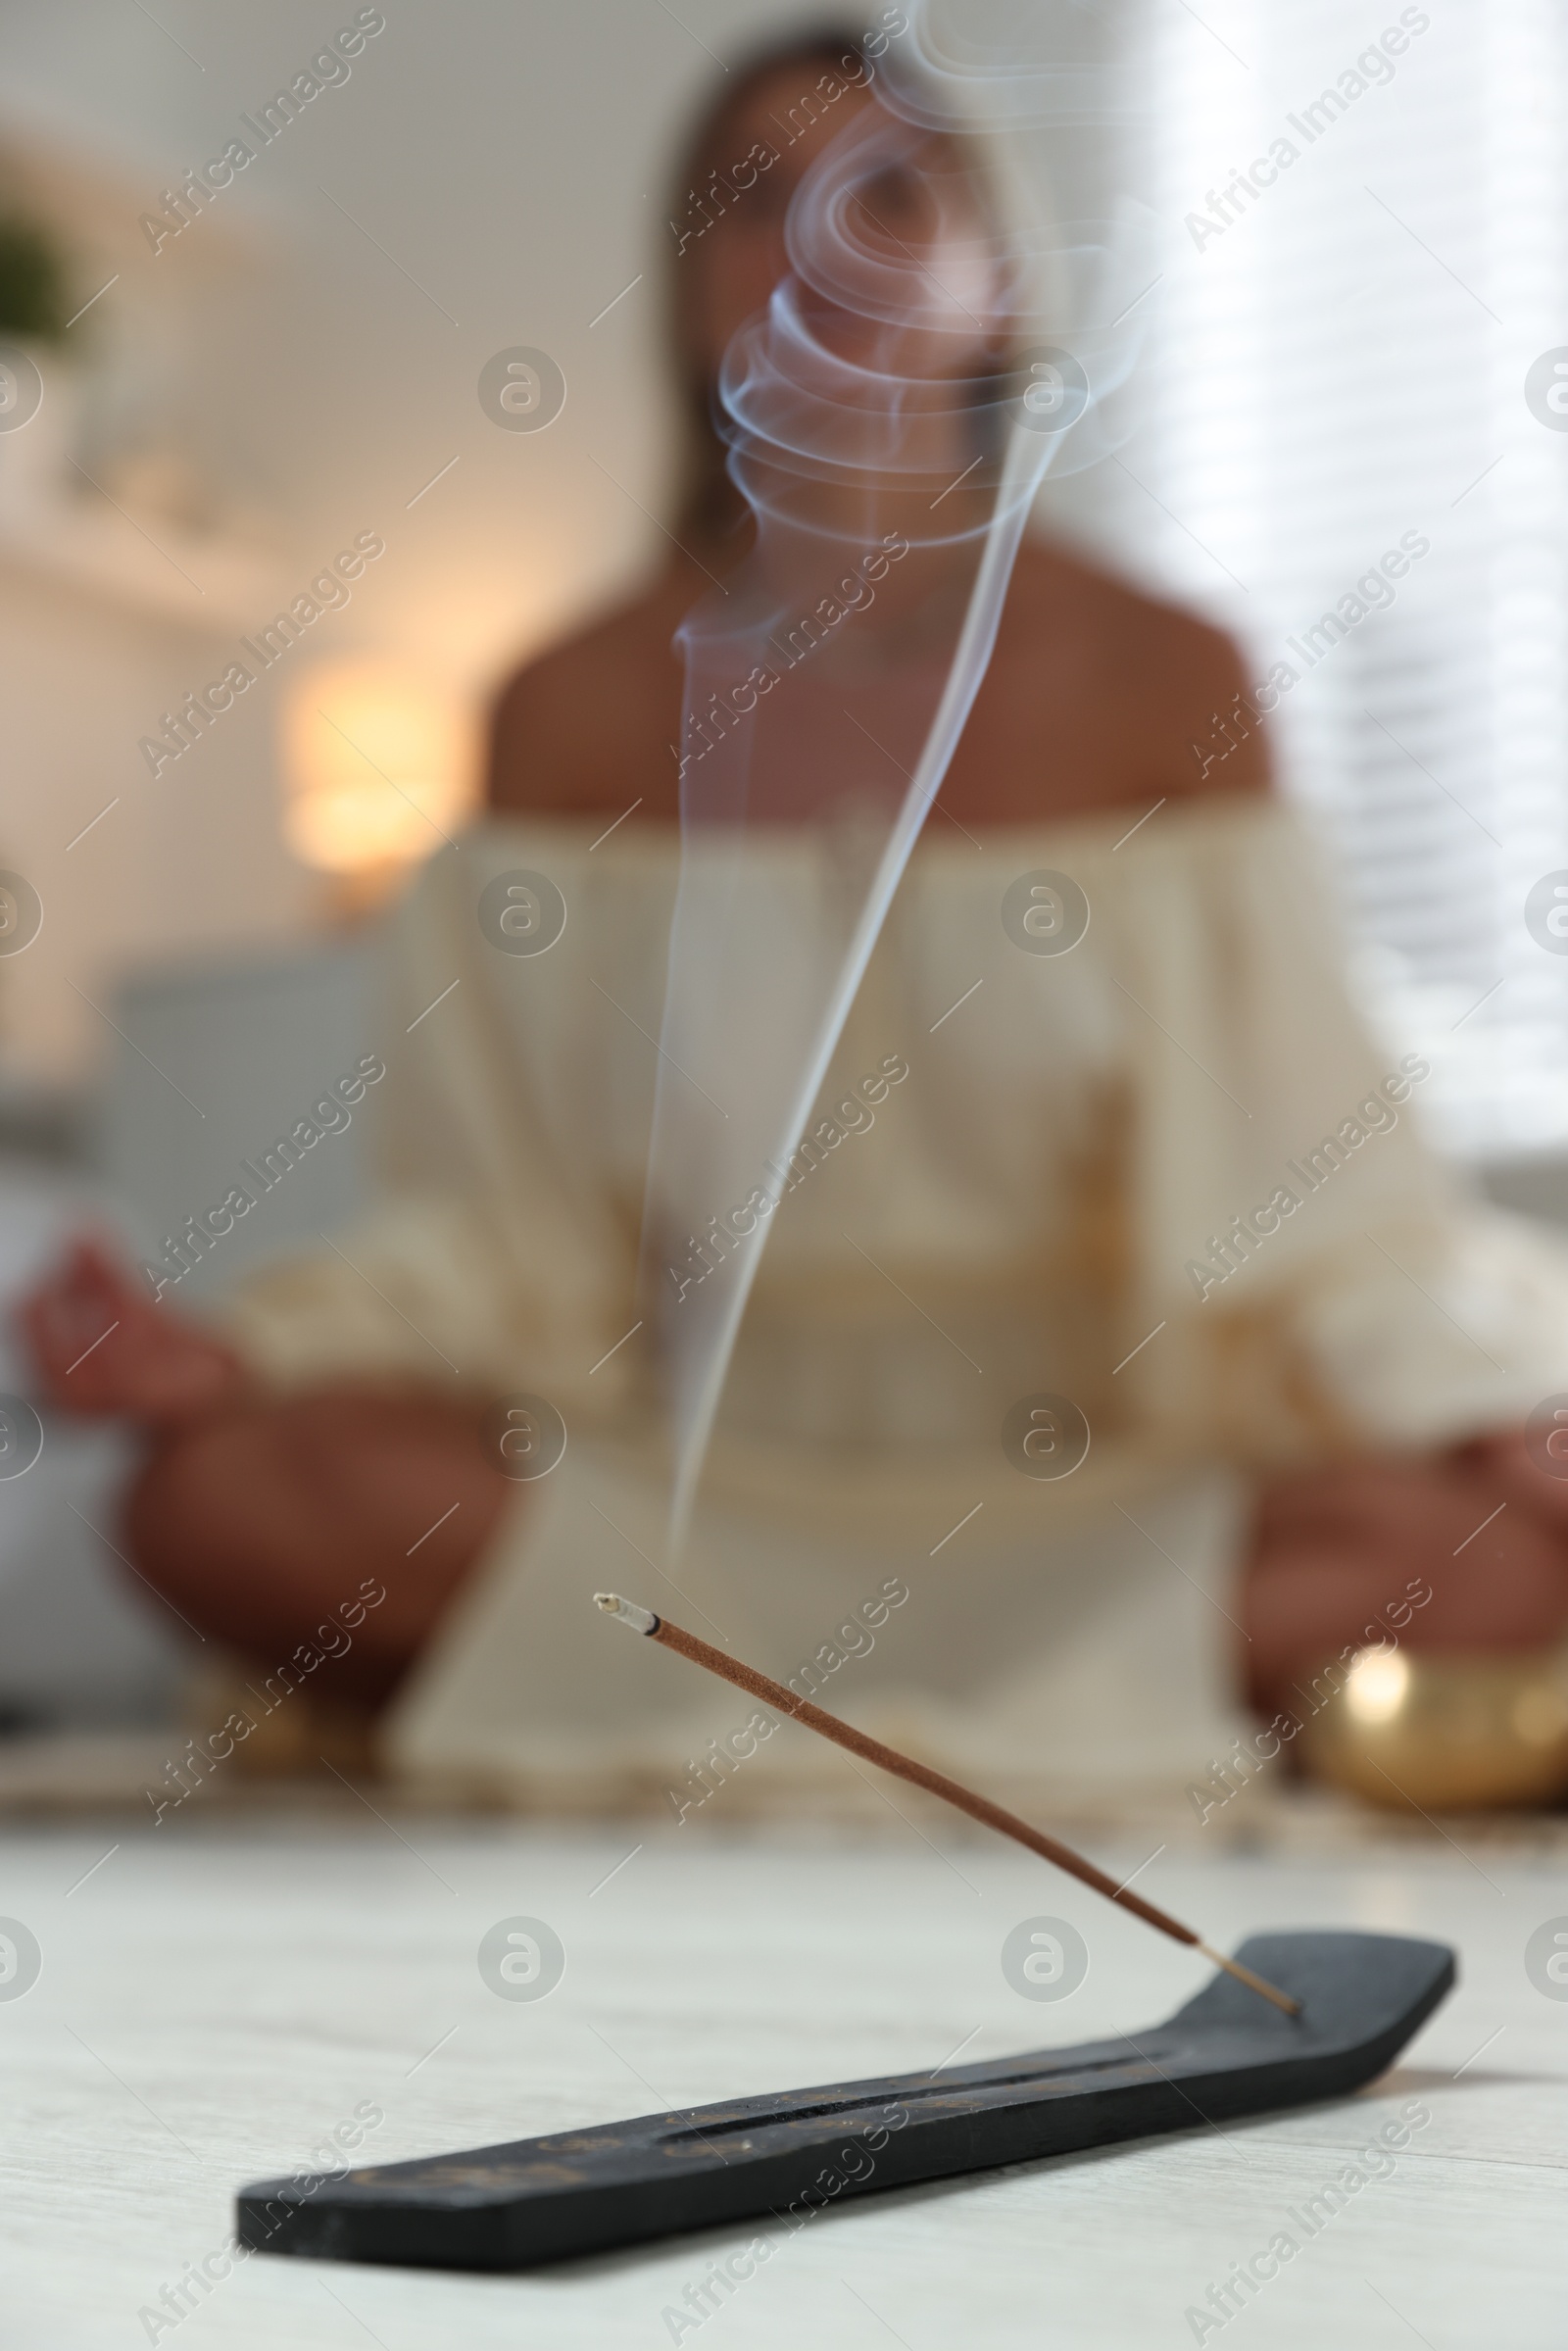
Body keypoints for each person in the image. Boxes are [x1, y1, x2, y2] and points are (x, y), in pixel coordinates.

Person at [21, 29, 1568, 1801]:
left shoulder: (1168, 681)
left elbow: (1319, 1198)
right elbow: (501, 1240)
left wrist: (1492, 1399)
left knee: (1494, 1550)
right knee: (212, 1496)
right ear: (687, 298)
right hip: (681, 1500)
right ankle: (1000, 1714)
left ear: (1001, 286)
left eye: (893, 190)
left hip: (1087, 1494)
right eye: (754, 198)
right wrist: (235, 1358)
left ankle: (711, 1708)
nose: (821, 241)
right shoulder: (563, 710)